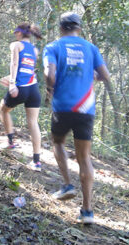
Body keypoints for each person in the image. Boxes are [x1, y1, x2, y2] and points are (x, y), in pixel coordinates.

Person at [42, 12, 111, 224]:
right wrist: (94, 78)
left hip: (62, 107)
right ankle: (88, 211)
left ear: (61, 28)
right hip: (85, 109)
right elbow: (105, 76)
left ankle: (67, 184)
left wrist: (50, 89)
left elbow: (49, 73)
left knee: (57, 142)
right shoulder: (91, 48)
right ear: (78, 28)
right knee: (84, 158)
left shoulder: (53, 47)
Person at [0, 23, 43, 171]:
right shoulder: (35, 50)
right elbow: (28, 69)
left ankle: (10, 141)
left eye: (15, 31)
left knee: (3, 109)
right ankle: (36, 161)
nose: (14, 34)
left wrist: (12, 83)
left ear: (19, 33)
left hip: (20, 88)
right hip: (34, 89)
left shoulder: (16, 45)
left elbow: (15, 64)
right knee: (33, 122)